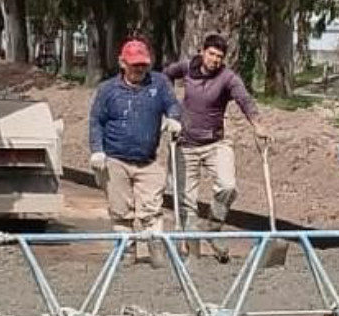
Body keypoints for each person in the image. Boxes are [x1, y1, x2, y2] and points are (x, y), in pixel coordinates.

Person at [164, 33, 270, 261]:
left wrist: (258, 125)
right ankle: (192, 251)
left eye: (219, 57)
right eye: (211, 54)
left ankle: (213, 228)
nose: (214, 60)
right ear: (202, 51)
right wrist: (170, 108)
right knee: (185, 199)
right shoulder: (186, 67)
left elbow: (244, 99)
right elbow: (165, 76)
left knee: (228, 186)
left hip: (216, 142)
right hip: (185, 143)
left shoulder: (228, 77)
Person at [89, 38, 182, 265]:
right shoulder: (108, 90)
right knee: (121, 210)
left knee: (152, 208)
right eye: (134, 65)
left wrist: (173, 119)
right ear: (123, 63)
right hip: (115, 160)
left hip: (147, 160)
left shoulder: (158, 84)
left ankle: (155, 248)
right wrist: (97, 150)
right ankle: (127, 250)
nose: (139, 69)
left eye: (143, 65)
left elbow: (172, 104)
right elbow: (96, 121)